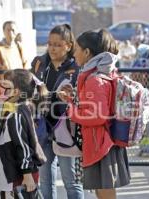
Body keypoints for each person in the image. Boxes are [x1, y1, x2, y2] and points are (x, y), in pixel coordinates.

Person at [59, 29, 131, 199]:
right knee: (103, 192)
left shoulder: (94, 79)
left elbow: (97, 116)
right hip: (103, 142)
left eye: (76, 48)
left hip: (100, 145)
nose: (73, 52)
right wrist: (73, 98)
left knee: (105, 193)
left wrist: (70, 108)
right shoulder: (102, 73)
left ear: (87, 52)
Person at [31, 24, 84, 199]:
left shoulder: (76, 65)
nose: (52, 48)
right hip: (41, 126)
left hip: (65, 128)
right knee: (45, 181)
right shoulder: (38, 62)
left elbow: (81, 95)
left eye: (57, 44)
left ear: (68, 46)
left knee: (71, 182)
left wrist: (70, 96)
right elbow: (30, 90)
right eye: (50, 44)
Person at [0, 69, 47, 199]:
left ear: (16, 92)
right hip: (12, 177)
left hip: (20, 178)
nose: (1, 88)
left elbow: (23, 145)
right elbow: (1, 133)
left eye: (6, 86)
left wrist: (27, 174)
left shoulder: (16, 114)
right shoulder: (12, 108)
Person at [0, 21, 28, 100]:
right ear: (3, 32)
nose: (10, 32)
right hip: (5, 91)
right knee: (8, 111)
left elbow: (25, 67)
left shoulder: (18, 46)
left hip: (19, 89)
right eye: (8, 30)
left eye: (13, 30)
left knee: (20, 111)